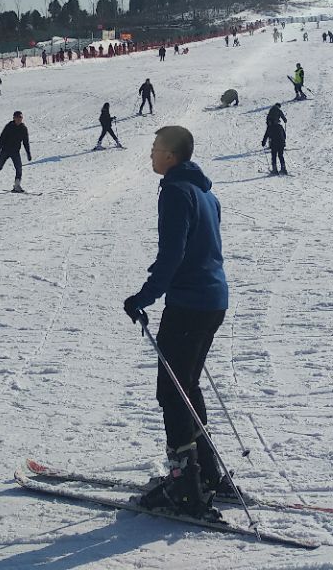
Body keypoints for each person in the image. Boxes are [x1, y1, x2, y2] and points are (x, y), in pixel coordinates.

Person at [123, 125, 229, 517]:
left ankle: (185, 488)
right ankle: (207, 475)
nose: (151, 153)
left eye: (155, 148)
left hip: (188, 303)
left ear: (171, 155)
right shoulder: (205, 191)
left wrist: (142, 298)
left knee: (171, 393)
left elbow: (173, 254)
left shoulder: (174, 191)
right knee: (186, 387)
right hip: (213, 300)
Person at [0, 111, 31, 193]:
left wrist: (28, 153)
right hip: (5, 150)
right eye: (17, 118)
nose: (19, 119)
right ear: (14, 118)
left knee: (19, 168)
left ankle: (17, 185)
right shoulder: (9, 126)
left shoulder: (23, 128)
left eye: (20, 118)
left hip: (15, 152)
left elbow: (25, 142)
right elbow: (1, 139)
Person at [262, 110, 287, 175]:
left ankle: (275, 170)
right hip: (281, 143)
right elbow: (284, 135)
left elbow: (266, 135)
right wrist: (283, 141)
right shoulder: (280, 126)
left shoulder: (270, 127)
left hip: (274, 143)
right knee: (280, 155)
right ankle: (283, 168)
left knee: (274, 156)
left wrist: (263, 142)